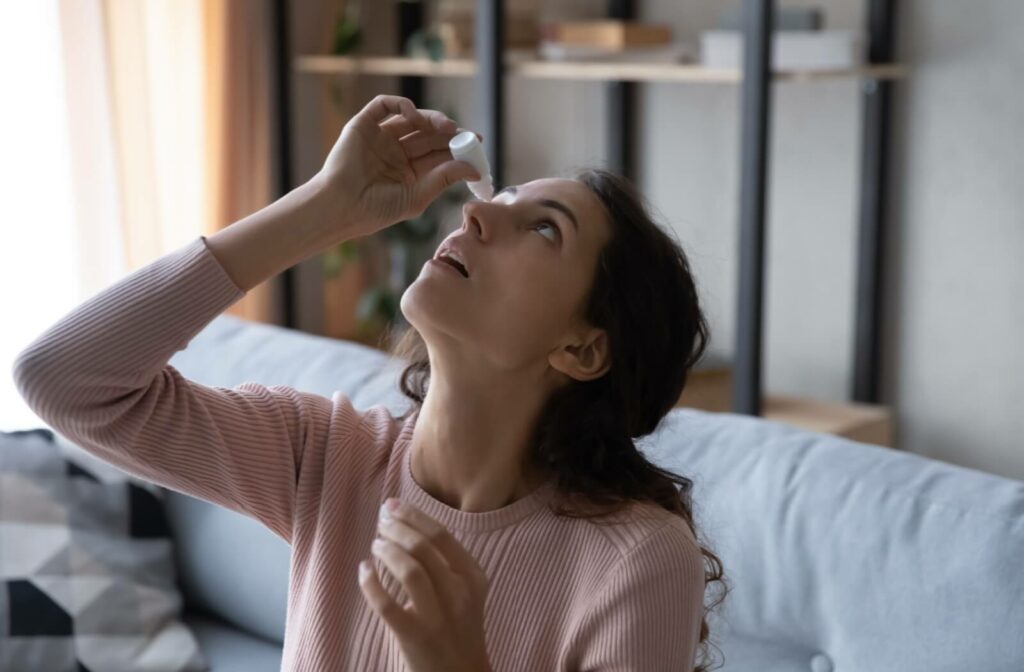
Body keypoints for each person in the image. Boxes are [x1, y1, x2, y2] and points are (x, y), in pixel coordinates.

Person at [14, 95, 726, 672]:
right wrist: (326, 207)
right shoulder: (328, 456)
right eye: (498, 196)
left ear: (583, 347)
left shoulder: (636, 563)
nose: (475, 211)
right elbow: (63, 380)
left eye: (542, 230)